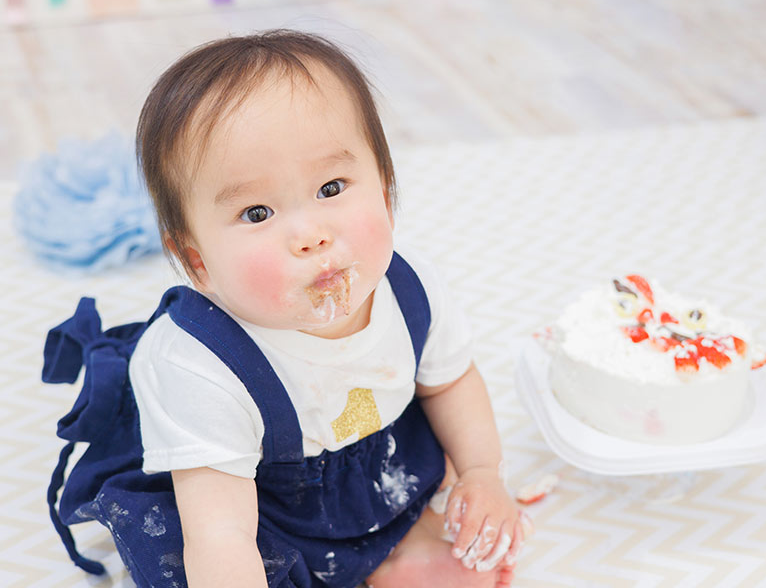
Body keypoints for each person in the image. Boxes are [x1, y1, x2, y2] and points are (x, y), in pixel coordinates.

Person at [131, 29, 524, 588]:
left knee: (462, 566)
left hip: (381, 474)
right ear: (197, 262)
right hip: (257, 512)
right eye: (258, 212)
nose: (310, 234)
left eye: (332, 186)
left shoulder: (411, 292)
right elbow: (220, 531)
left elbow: (450, 383)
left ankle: (399, 542)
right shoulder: (199, 368)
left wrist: (482, 472)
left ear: (386, 192)